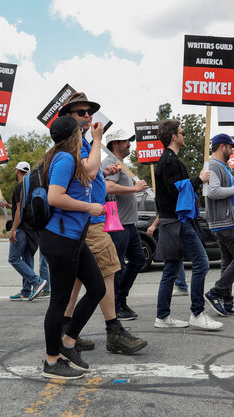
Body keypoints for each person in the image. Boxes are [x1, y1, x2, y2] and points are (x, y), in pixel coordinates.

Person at [59, 93, 146, 354]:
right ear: (68, 118)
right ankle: (113, 331)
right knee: (108, 273)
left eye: (89, 112)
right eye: (80, 113)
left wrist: (102, 170)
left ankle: (66, 330)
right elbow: (89, 171)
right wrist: (98, 141)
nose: (87, 117)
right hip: (91, 220)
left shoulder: (82, 144)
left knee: (77, 280)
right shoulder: (78, 144)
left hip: (87, 221)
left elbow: (91, 173)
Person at [38, 115, 106, 379]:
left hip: (73, 238)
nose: (85, 132)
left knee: (97, 287)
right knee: (59, 301)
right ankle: (51, 362)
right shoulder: (65, 159)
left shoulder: (71, 157)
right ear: (74, 135)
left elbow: (91, 170)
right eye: (81, 130)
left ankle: (67, 342)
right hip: (60, 238)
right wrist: (89, 207)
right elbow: (55, 197)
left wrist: (98, 141)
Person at [153, 119, 221, 331]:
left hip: (171, 221)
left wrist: (196, 184)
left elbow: (173, 191)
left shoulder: (168, 160)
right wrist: (199, 180)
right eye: (181, 133)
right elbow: (175, 190)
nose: (184, 136)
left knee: (171, 269)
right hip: (178, 222)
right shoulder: (170, 161)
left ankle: (162, 317)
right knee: (202, 262)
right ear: (173, 136)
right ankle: (197, 313)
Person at [103, 130, 150, 320]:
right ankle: (115, 307)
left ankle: (121, 299)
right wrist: (135, 188)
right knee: (117, 267)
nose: (129, 144)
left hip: (129, 225)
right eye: (125, 141)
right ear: (115, 144)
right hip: (118, 226)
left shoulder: (121, 164)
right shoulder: (109, 163)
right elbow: (107, 187)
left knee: (138, 260)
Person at [203, 133, 234, 316]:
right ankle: (215, 292)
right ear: (222, 147)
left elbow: (221, 189)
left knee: (228, 262)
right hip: (226, 223)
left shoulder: (219, 166)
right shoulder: (214, 165)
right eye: (231, 147)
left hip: (224, 222)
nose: (232, 151)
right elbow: (214, 191)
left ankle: (227, 302)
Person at [6, 161, 49, 301]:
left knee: (13, 258)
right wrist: (8, 205)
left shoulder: (20, 186)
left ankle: (36, 282)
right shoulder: (31, 186)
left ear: (17, 171)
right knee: (27, 258)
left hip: (22, 229)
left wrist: (13, 229)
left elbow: (19, 210)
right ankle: (26, 290)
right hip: (34, 230)